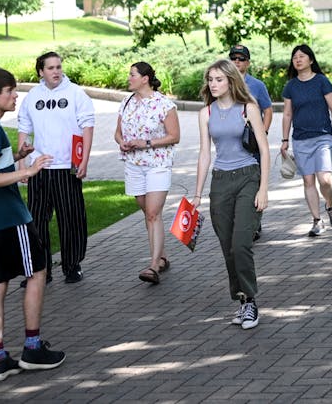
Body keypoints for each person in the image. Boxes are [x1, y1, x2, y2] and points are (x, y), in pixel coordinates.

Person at [0, 67, 67, 382]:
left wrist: (18, 155)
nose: (15, 96)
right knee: (38, 273)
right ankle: (32, 349)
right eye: (10, 91)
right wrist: (27, 171)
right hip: (10, 220)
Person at [193, 58, 270, 329]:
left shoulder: (248, 108)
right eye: (210, 80)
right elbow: (204, 155)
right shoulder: (206, 113)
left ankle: (250, 300)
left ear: (230, 80)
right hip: (220, 182)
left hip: (248, 177)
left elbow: (263, 149)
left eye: (218, 80)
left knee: (241, 244)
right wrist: (197, 194)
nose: (213, 85)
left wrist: (263, 189)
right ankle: (241, 299)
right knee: (227, 248)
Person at [16, 51, 95, 284]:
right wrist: (23, 164)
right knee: (37, 221)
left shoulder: (75, 93)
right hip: (39, 167)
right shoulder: (32, 96)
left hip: (66, 166)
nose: (56, 71)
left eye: (58, 67)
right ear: (41, 71)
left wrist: (84, 160)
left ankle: (72, 266)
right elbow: (24, 127)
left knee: (71, 218)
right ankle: (42, 270)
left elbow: (87, 127)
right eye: (50, 68)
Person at [114, 60, 181, 284]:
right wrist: (122, 142)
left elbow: (174, 136)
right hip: (133, 164)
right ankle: (162, 256)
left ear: (145, 79)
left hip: (157, 163)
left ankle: (153, 266)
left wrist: (147, 143)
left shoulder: (163, 104)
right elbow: (118, 133)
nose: (129, 78)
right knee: (148, 213)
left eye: (132, 74)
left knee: (153, 212)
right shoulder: (126, 102)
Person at [278, 43, 332, 237]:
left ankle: (330, 206)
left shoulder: (322, 81)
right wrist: (284, 140)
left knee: (324, 179)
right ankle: (317, 220)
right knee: (308, 180)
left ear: (311, 60)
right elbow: (287, 114)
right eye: (294, 57)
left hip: (323, 136)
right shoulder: (291, 86)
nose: (297, 59)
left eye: (302, 56)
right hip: (300, 139)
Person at [229, 44, 273, 240]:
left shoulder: (257, 86)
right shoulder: (222, 84)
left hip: (251, 144)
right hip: (230, 145)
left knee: (253, 184)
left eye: (241, 59)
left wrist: (261, 133)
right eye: (234, 58)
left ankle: (253, 225)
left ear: (248, 62)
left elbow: (268, 110)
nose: (237, 62)